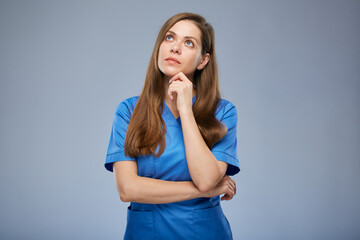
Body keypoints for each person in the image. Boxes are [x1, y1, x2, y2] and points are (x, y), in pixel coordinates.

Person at [105, 12, 240, 240]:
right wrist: (204, 191)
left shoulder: (223, 112)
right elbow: (127, 189)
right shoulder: (128, 111)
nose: (175, 48)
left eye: (189, 43)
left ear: (203, 60)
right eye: (169, 38)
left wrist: (186, 110)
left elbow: (207, 179)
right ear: (159, 47)